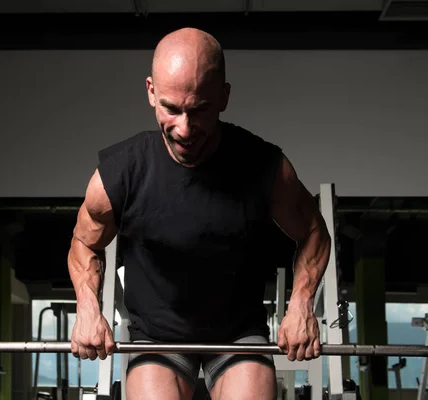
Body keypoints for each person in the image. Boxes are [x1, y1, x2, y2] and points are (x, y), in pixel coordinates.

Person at [67, 27, 331, 400]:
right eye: (171, 109)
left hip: (238, 334)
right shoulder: (120, 173)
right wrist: (88, 307)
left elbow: (314, 232)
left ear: (223, 96)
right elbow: (84, 242)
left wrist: (302, 303)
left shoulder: (264, 167)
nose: (185, 129)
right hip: (158, 337)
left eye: (200, 110)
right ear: (150, 92)